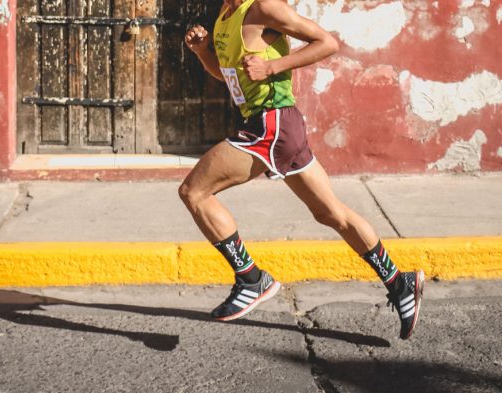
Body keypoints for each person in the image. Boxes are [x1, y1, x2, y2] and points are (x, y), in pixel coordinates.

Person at [180, 0, 424, 339]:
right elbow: (229, 75)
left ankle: (251, 279)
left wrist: (272, 66)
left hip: (273, 124)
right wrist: (202, 52)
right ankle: (400, 283)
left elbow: (327, 43)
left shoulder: (263, 8)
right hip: (277, 127)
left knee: (194, 192)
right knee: (331, 213)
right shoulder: (224, 16)